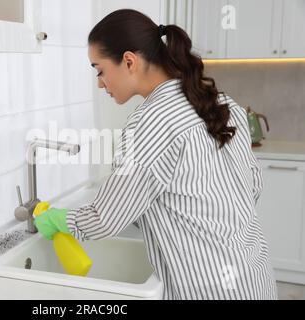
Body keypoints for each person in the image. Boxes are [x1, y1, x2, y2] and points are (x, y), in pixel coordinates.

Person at [34, 9, 277, 300]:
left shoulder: (150, 122)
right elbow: (252, 187)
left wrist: (61, 220)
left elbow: (106, 218)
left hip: (209, 289)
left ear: (128, 61)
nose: (99, 83)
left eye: (99, 70)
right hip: (255, 278)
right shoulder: (223, 103)